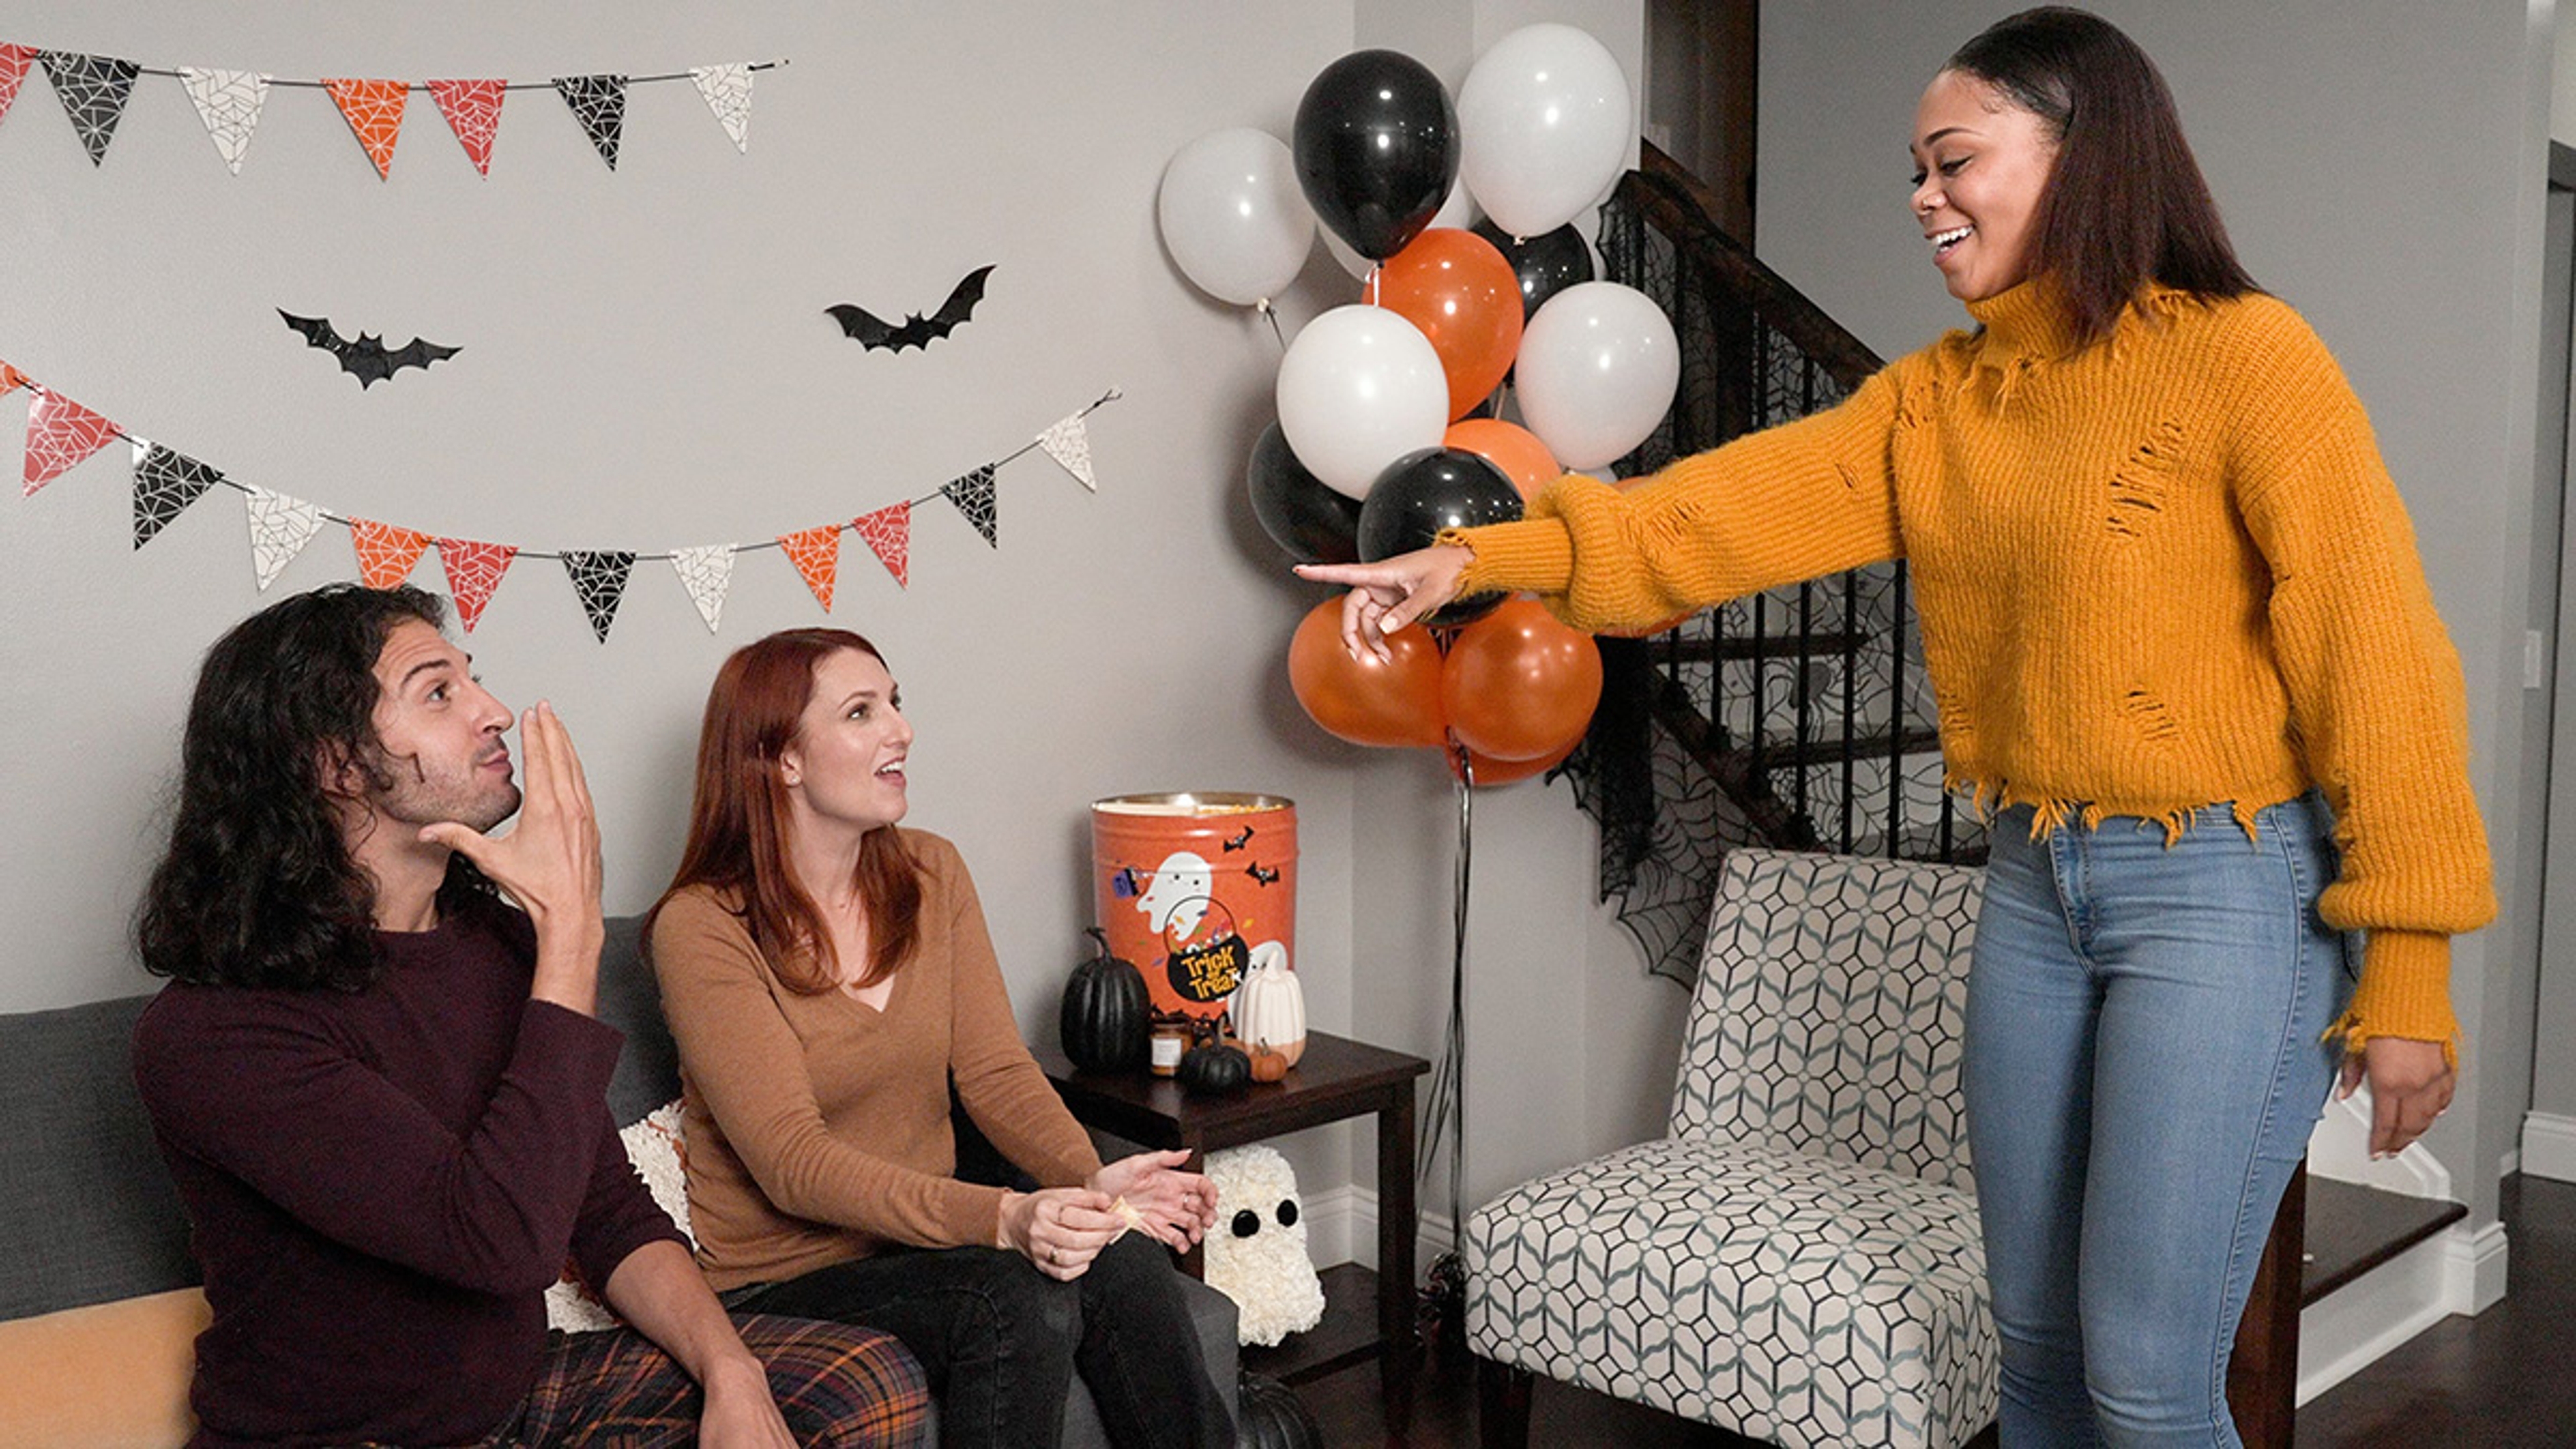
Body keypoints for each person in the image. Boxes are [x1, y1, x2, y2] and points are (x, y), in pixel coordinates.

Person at [1302, 8, 2494, 1446]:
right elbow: (1713, 516)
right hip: (2033, 891)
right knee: (2037, 1350)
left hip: (2228, 895)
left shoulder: (2249, 360)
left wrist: (2410, 967)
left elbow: (2382, 660)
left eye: (1956, 160)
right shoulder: (1943, 402)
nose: (1925, 195)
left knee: (2143, 1370)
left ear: (2084, 156)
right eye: (1914, 169)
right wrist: (1482, 556)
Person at [130, 584, 929, 1448]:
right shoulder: (215, 1037)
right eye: (439, 692)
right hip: (350, 1436)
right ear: (337, 764)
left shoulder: (496, 945)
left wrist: (732, 1373)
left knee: (866, 1385)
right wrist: (574, 934)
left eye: (473, 681)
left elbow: (607, 1211)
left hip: (518, 1400)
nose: (494, 712)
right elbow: (496, 1242)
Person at [649, 628, 1235, 1449]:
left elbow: (995, 1071)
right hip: (786, 1281)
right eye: (862, 712)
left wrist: (1094, 1186)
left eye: (896, 702)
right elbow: (792, 1162)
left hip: (921, 1241)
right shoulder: (703, 927)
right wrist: (1007, 1217)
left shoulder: (930, 873)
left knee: (1126, 1259)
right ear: (781, 758)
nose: (901, 729)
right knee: (1014, 1300)